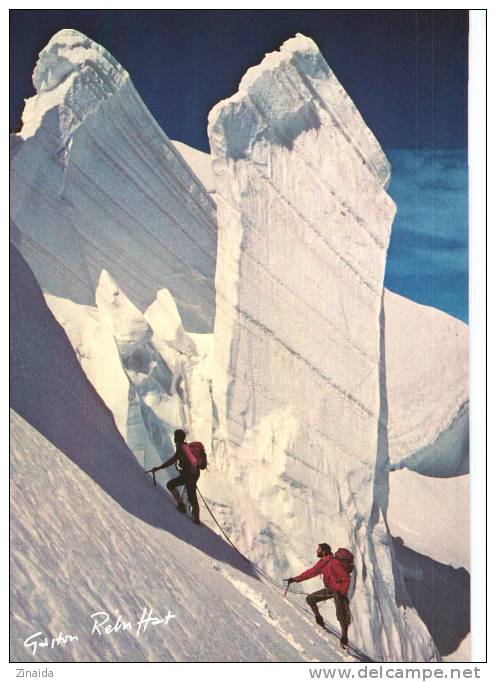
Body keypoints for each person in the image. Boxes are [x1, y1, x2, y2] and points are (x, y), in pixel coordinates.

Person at [286, 543, 352, 649]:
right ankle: (319, 619)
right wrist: (295, 579)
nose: (317, 551)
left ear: (324, 552)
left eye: (319, 549)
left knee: (341, 614)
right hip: (330, 590)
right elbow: (311, 572)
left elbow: (346, 579)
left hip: (338, 592)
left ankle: (344, 638)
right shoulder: (323, 563)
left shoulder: (334, 563)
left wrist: (342, 592)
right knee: (310, 599)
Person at [150, 429, 201, 524]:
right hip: (192, 475)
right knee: (190, 494)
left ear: (177, 438)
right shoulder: (184, 447)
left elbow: (175, 460)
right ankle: (193, 515)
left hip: (189, 476)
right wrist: (159, 468)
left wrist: (159, 468)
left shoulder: (182, 449)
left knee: (174, 486)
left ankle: (184, 508)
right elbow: (175, 459)